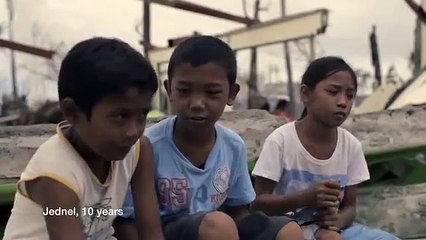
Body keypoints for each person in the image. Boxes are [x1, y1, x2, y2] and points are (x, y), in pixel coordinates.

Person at [114, 35, 304, 240]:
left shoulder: (233, 145)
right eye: (184, 91)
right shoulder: (148, 145)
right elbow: (125, 221)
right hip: (165, 231)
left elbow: (238, 209)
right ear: (169, 90)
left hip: (218, 229)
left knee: (288, 231)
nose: (196, 103)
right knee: (218, 224)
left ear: (231, 94)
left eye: (212, 92)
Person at [3, 37, 164, 240]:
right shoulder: (56, 174)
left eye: (142, 115)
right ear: (72, 112)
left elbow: (151, 233)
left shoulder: (139, 150)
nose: (134, 131)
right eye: (120, 116)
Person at [251, 56, 401, 240]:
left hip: (329, 231)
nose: (343, 102)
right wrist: (304, 199)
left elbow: (349, 207)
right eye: (333, 92)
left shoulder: (350, 146)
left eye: (350, 95)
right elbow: (259, 203)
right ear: (306, 94)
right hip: (285, 232)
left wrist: (337, 220)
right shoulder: (281, 141)